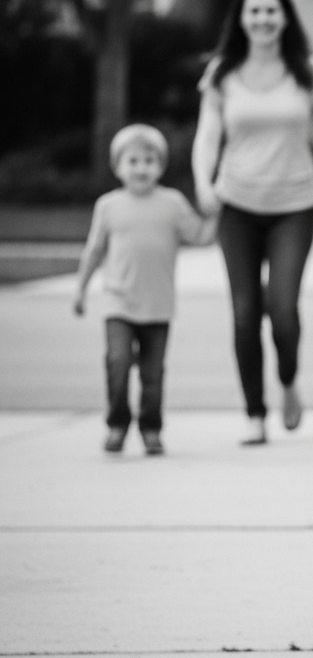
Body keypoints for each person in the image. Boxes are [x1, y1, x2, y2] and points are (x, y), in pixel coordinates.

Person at [192, 0, 313, 445]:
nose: (262, 19)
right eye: (254, 11)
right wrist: (203, 182)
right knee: (243, 313)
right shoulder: (222, 72)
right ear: (241, 19)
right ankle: (254, 414)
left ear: (285, 17)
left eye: (271, 10)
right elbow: (208, 134)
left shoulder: (308, 70)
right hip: (237, 205)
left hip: (295, 204)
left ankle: (289, 379)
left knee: (281, 308)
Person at [74, 124, 218, 454]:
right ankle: (117, 424)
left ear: (161, 166)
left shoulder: (172, 203)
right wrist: (81, 290)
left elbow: (201, 237)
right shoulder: (108, 206)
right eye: (133, 160)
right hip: (118, 302)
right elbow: (94, 251)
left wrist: (215, 213)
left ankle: (151, 427)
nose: (141, 168)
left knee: (153, 375)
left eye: (149, 160)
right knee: (118, 362)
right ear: (117, 167)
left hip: (158, 305)